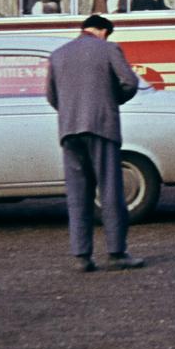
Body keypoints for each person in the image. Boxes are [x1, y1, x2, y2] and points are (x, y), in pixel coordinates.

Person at [45, 14, 145, 272]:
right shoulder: (108, 49)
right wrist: (112, 99)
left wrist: (70, 111)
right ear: (103, 31)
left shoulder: (58, 54)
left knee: (77, 194)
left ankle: (82, 256)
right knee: (110, 190)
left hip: (69, 130)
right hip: (102, 126)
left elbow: (51, 96)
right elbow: (129, 82)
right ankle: (116, 253)